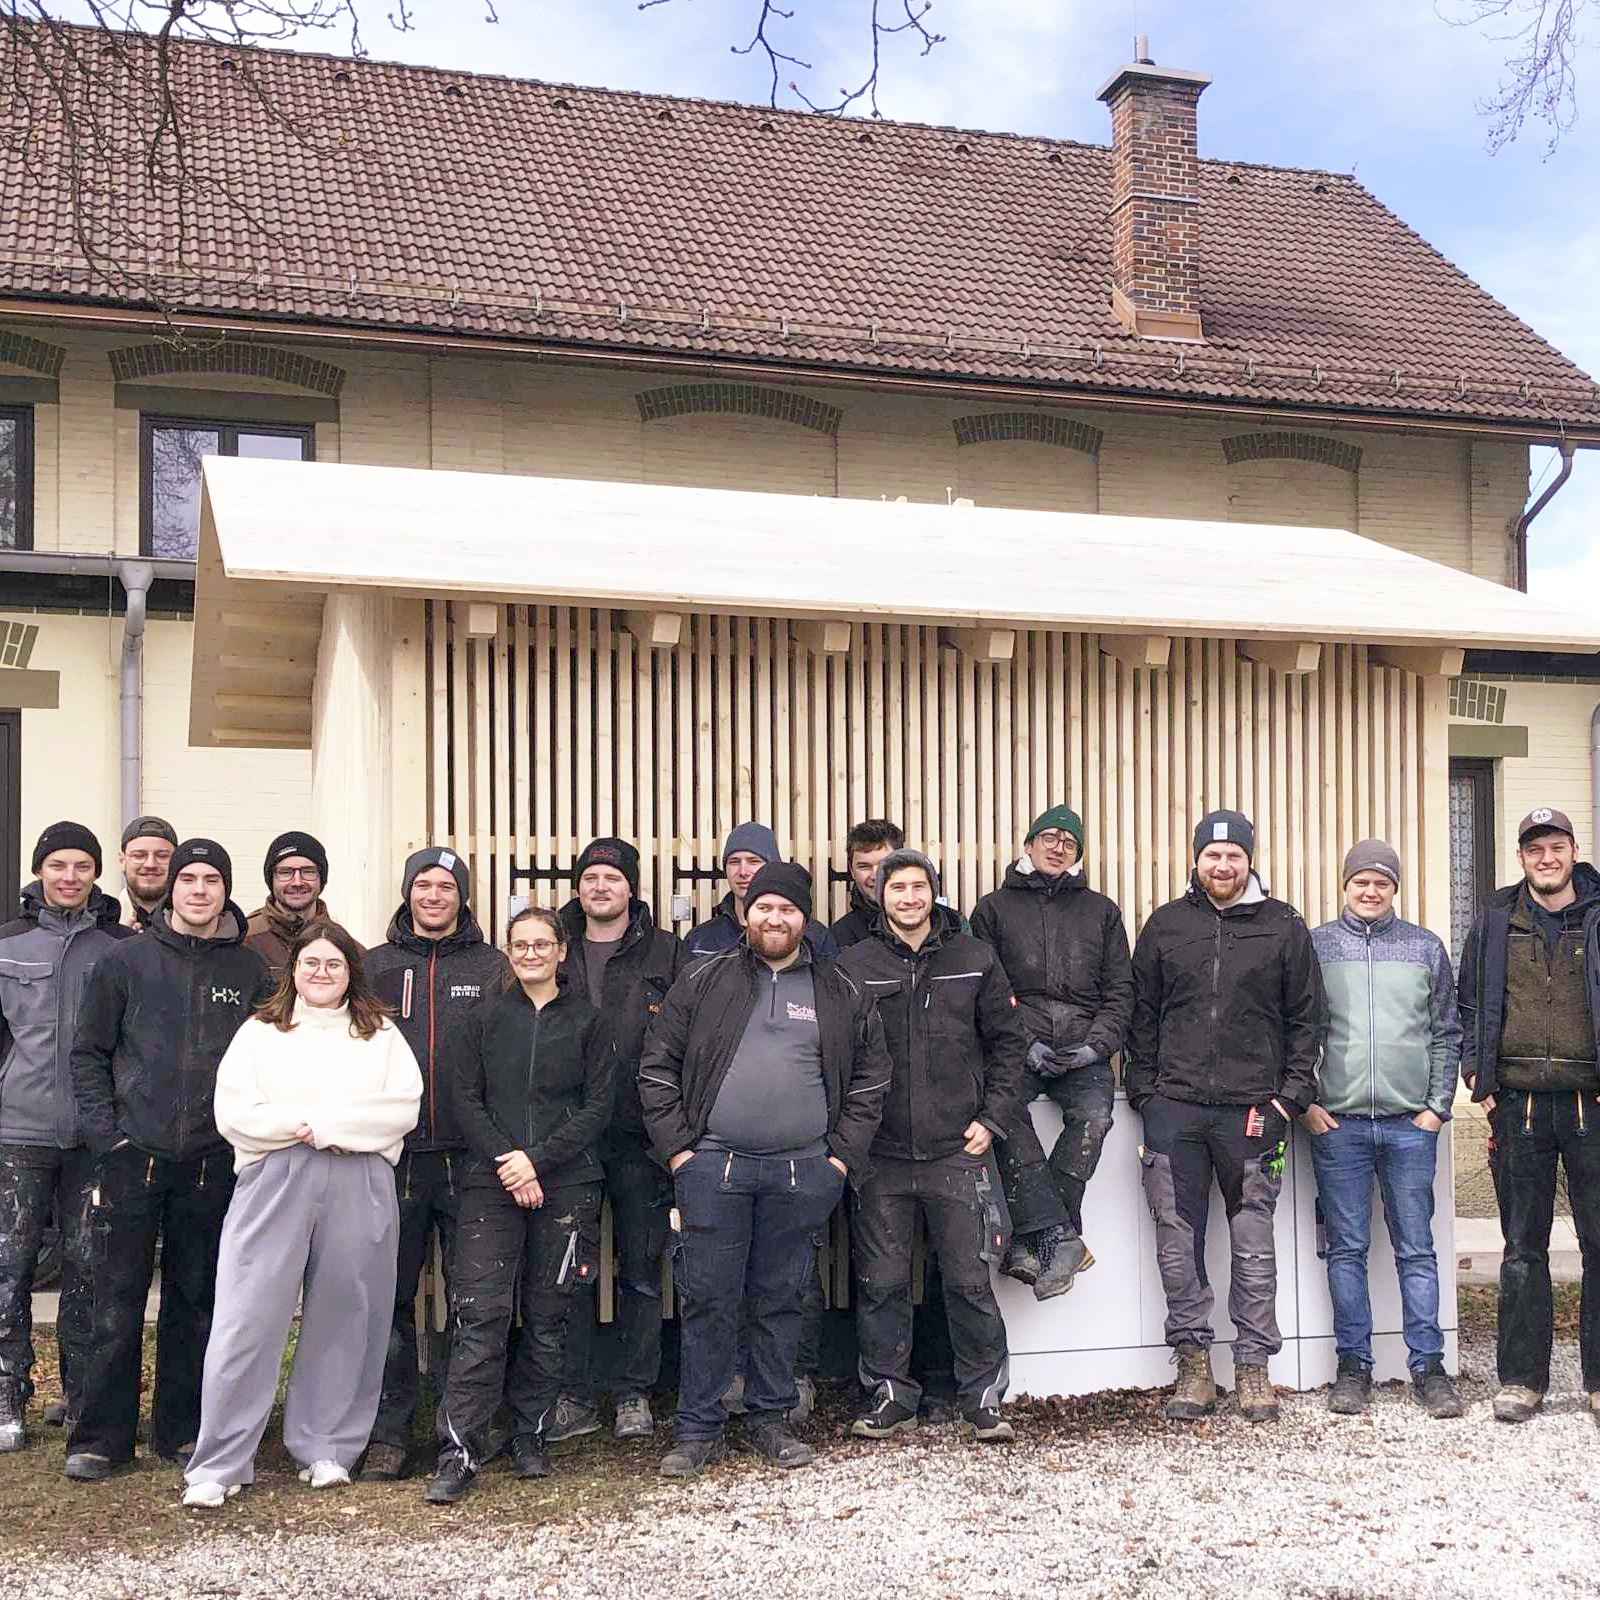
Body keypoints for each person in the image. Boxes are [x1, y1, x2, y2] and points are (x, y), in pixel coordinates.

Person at [640, 861, 890, 1480]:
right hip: (712, 1168)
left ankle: (769, 1419)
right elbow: (656, 1067)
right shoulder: (704, 979)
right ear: (746, 913)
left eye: (787, 909)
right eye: (764, 908)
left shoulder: (841, 988)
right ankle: (698, 1428)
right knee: (708, 1299)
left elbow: (871, 1079)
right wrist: (680, 1152)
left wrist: (839, 1159)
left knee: (782, 1299)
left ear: (805, 918)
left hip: (803, 1171)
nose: (774, 919)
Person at [180, 925, 422, 1508]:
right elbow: (235, 1111)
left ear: (350, 973)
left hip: (358, 1176)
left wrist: (327, 1126)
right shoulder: (261, 1032)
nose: (321, 973)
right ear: (292, 970)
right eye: (311, 962)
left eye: (334, 964)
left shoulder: (380, 1034)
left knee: (347, 1312)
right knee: (247, 1314)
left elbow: (400, 1108)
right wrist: (299, 1126)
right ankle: (220, 1463)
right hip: (275, 1175)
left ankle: (326, 1448)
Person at [66, 839, 271, 1480]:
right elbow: (88, 1054)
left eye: (212, 879)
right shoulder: (124, 962)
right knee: (116, 1301)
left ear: (226, 890)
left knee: (197, 1300)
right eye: (188, 878)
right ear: (172, 889)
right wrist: (108, 1138)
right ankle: (101, 1437)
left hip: (213, 1160)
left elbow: (269, 1061)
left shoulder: (250, 972)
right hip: (133, 1155)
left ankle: (181, 1431)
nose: (199, 890)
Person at [1125, 810, 1323, 1425]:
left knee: (1253, 1243)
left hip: (1254, 1111)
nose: (1223, 865)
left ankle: (1254, 1366)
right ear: (1196, 860)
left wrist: (1289, 1098)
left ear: (1249, 860)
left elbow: (1307, 1019)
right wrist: (1145, 1093)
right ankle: (1193, 1363)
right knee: (1176, 1242)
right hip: (1175, 1109)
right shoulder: (1166, 925)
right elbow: (1142, 1015)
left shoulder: (1284, 925)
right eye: (1212, 855)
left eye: (1234, 855)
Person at [425, 907, 613, 1504]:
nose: (530, 954)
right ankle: (460, 1449)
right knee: (480, 1315)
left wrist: (539, 1161)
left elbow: (598, 1106)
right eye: (520, 945)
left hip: (567, 1182)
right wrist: (511, 1161)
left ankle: (531, 1434)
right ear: (508, 952)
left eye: (541, 944)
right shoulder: (482, 1018)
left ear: (562, 950)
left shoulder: (589, 1021)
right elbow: (464, 1098)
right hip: (491, 1181)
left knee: (549, 1315)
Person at [839, 849, 1023, 1443]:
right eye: (898, 888)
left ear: (933, 893)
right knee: (881, 1283)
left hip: (957, 1151)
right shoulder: (854, 964)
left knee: (969, 1282)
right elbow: (835, 1054)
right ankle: (890, 1394)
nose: (909, 898)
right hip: (880, 1155)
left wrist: (992, 1119)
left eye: (919, 887)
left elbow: (1009, 1045)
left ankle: (984, 1399)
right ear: (880, 895)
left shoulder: (975, 958)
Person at [359, 847, 510, 1480]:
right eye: (423, 884)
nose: (433, 895)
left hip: (472, 1161)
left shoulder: (494, 966)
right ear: (407, 892)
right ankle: (388, 1434)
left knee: (475, 1300)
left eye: (446, 886)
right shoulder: (373, 966)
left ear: (462, 897)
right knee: (388, 1298)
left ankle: (467, 1428)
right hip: (394, 1160)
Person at [1306, 840, 1463, 1418]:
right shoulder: (1315, 946)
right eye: (1361, 882)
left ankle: (1429, 1368)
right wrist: (1307, 1104)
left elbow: (1447, 1031)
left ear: (1395, 888)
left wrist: (1437, 1107)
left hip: (1409, 1127)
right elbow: (1295, 1029)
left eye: (1382, 883)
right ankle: (1354, 1367)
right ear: (1345, 885)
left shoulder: (1425, 948)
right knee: (1346, 1250)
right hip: (1338, 1125)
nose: (1371, 892)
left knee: (1416, 1250)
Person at [1459, 806, 1600, 1424]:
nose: (1547, 858)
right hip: (1518, 1107)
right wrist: (1478, 1077)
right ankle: (1521, 1380)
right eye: (1535, 849)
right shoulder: (1494, 921)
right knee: (1522, 1247)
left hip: (1591, 1104)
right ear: (1521, 857)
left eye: (1556, 847)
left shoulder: (1597, 916)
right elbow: (1468, 1004)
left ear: (1574, 852)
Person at [0, 823, 133, 1450]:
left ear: (97, 874)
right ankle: (8, 1397)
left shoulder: (118, 947)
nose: (70, 877)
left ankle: (83, 1400)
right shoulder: (8, 944)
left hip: (92, 1135)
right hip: (18, 1131)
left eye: (82, 866)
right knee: (9, 1268)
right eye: (58, 865)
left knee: (88, 1270)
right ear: (40, 871)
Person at [548, 838, 684, 1445]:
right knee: (570, 1269)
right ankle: (573, 1394)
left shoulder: (667, 952)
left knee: (642, 1271)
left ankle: (635, 1393)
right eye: (590, 877)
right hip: (567, 1137)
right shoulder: (555, 946)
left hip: (640, 1137)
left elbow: (687, 1042)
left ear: (631, 888)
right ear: (578, 887)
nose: (600, 887)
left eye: (612, 877)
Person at [972, 805, 1133, 1300]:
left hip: (1083, 1046)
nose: (1058, 848)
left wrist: (1096, 1047)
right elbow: (988, 992)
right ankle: (1061, 1236)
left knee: (1095, 1119)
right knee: (1001, 1113)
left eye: (1069, 842)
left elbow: (1120, 992)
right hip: (1017, 1046)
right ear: (1029, 844)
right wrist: (1025, 1044)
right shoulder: (992, 910)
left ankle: (1037, 1237)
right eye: (1049, 838)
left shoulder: (1102, 912)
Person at [686, 823, 839, 959]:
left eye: (753, 861)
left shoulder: (815, 938)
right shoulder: (700, 940)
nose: (743, 872)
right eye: (734, 862)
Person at [244, 831, 357, 976]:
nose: (297, 882)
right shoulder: (246, 941)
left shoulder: (346, 947)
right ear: (271, 880)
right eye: (286, 872)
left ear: (321, 879)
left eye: (308, 872)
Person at [830, 820, 904, 948]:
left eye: (884, 865)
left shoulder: (936, 923)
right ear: (852, 871)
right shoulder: (839, 937)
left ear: (902, 865)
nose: (875, 876)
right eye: (864, 867)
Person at [118, 815, 177, 930]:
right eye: (139, 856)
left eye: (162, 856)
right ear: (122, 861)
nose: (150, 864)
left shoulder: (199, 924)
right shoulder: (102, 921)